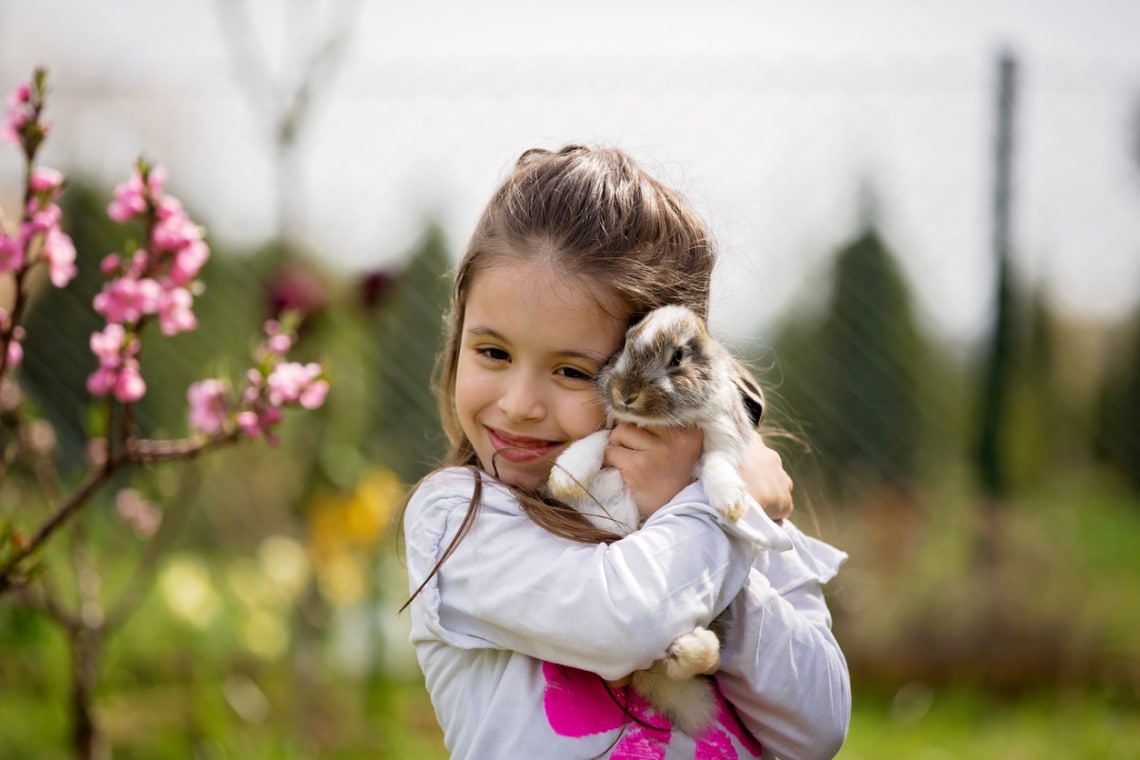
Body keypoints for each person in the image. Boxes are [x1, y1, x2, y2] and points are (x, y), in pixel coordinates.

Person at [401, 144, 849, 759]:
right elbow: (624, 622)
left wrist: (697, 501)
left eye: (572, 371)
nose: (521, 403)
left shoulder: (736, 519)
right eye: (493, 353)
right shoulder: (457, 518)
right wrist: (722, 513)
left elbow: (817, 730)